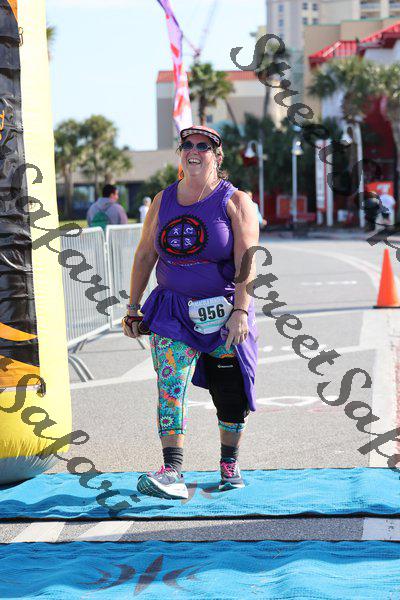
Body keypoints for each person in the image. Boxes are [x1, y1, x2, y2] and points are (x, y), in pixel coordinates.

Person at [123, 124, 259, 500]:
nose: (194, 150)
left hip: (224, 311)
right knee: (170, 388)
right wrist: (133, 307)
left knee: (229, 389)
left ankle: (229, 463)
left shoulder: (235, 201)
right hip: (172, 311)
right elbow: (145, 255)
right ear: (180, 154)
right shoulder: (162, 200)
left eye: (204, 146)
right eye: (187, 145)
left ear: (218, 156)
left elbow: (247, 261)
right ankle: (172, 470)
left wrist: (241, 310)